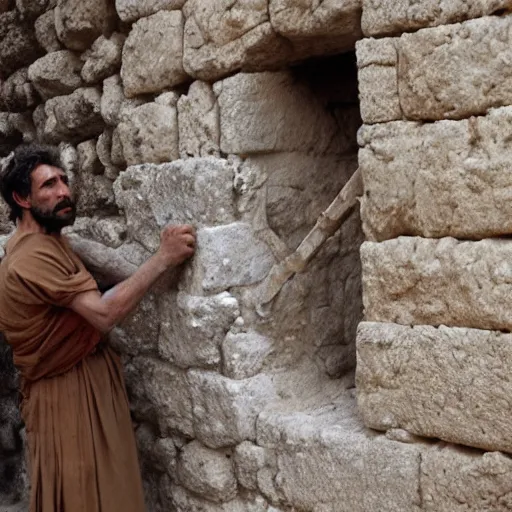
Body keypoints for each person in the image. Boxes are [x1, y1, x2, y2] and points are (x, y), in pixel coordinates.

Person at [0, 144, 196, 512]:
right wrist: (163, 257)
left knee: (109, 489)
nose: (63, 192)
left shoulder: (50, 242)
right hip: (66, 395)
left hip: (87, 380)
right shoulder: (30, 257)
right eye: (49, 186)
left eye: (64, 181)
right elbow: (104, 315)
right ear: (21, 198)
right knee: (83, 495)